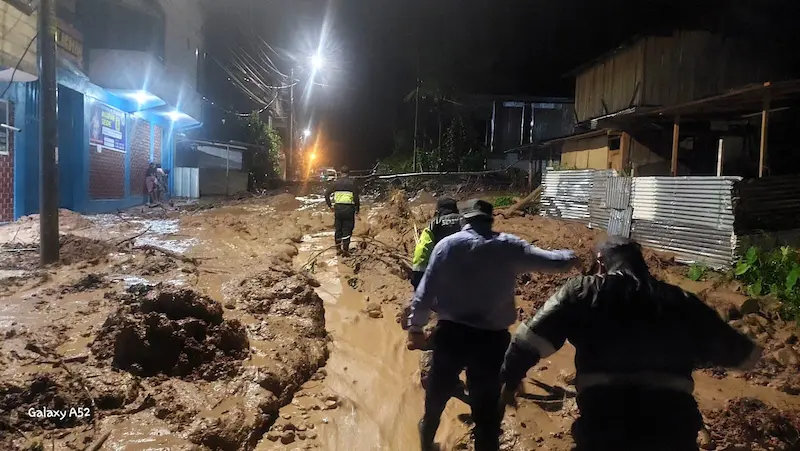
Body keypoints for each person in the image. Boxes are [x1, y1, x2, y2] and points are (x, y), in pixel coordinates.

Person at [499, 236, 763, 451]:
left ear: (600, 263)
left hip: (605, 426)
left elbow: (528, 341)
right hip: (672, 429)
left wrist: (509, 379)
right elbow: (743, 355)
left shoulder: (583, 291)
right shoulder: (681, 300)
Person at [407, 199, 580, 451]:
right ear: (491, 220)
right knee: (486, 410)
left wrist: (415, 329)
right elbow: (552, 262)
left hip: (451, 336)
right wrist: (573, 257)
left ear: (464, 220)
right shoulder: (509, 246)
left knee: (437, 392)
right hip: (491, 341)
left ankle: (427, 434)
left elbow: (424, 292)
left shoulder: (446, 246)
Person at [411, 197, 461, 290]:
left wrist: (417, 275)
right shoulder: (465, 222)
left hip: (442, 274)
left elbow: (422, 250)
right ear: (457, 210)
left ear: (438, 212)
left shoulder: (434, 224)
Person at [324, 165, 360, 256]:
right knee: (347, 230)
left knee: (338, 229)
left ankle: (338, 249)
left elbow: (326, 194)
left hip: (338, 209)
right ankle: (345, 250)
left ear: (340, 173)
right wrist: (357, 209)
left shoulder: (335, 183)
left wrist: (330, 206)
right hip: (349, 209)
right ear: (349, 173)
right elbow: (356, 198)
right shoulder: (352, 183)